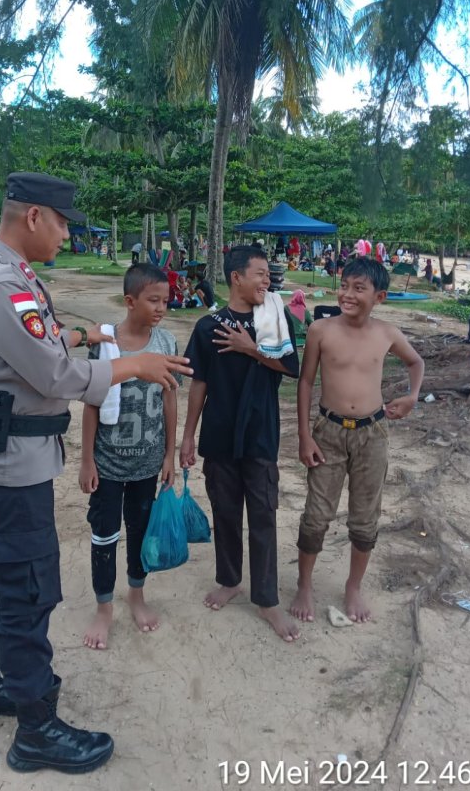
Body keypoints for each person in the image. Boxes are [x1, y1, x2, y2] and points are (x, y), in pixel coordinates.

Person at [0, 171, 191, 776]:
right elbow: (57, 376)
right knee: (25, 589)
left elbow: (48, 343)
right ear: (34, 217)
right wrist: (133, 364)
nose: (65, 235)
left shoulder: (10, 274)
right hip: (11, 468)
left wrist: (86, 333)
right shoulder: (3, 285)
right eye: (62, 224)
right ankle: (36, 729)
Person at [291, 258, 424, 625]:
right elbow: (305, 382)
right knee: (316, 515)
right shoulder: (320, 329)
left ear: (379, 296)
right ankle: (304, 584)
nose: (348, 294)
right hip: (328, 432)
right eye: (345, 285)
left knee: (366, 518)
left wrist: (412, 396)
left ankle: (353, 586)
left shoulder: (387, 333)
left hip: (373, 433)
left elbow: (416, 363)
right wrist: (304, 435)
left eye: (359, 288)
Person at [179, 245, 301, 643]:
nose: (268, 281)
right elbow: (199, 383)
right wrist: (187, 436)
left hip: (261, 435)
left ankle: (267, 599)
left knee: (263, 516)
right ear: (237, 277)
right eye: (261, 274)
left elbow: (291, 368)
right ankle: (229, 580)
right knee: (226, 513)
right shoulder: (209, 326)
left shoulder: (275, 318)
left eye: (269, 276)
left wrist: (253, 349)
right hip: (219, 436)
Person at [79, 263, 179, 650]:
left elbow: (170, 399)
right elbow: (91, 403)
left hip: (147, 463)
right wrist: (87, 460)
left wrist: (168, 454)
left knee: (140, 530)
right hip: (107, 463)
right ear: (130, 301)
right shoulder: (105, 344)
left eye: (166, 301)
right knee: (104, 535)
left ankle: (137, 595)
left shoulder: (167, 343)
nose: (161, 308)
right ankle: (104, 607)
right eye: (153, 300)